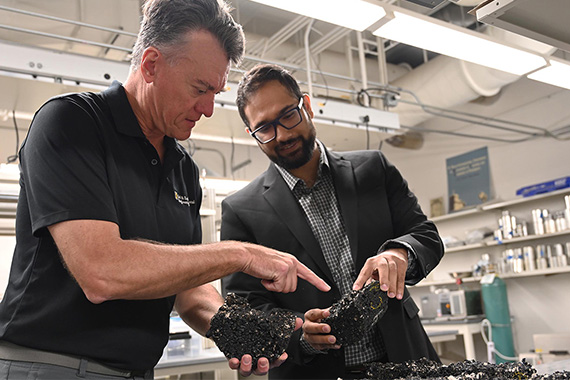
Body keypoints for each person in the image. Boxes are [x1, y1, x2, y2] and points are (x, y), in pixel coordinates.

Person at [0, 2, 330, 379]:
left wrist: (239, 329)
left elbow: (190, 292)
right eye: (200, 89)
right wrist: (239, 254)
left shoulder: (183, 169)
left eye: (216, 92)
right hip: (48, 366)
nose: (207, 109)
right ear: (152, 64)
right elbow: (101, 272)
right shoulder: (73, 123)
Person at [221, 63, 445, 380]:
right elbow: (246, 308)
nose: (282, 134)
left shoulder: (373, 169)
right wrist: (299, 332)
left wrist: (400, 253)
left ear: (307, 106)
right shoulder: (241, 209)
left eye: (288, 115)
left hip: (403, 360)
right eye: (265, 128)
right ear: (252, 134)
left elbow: (425, 235)